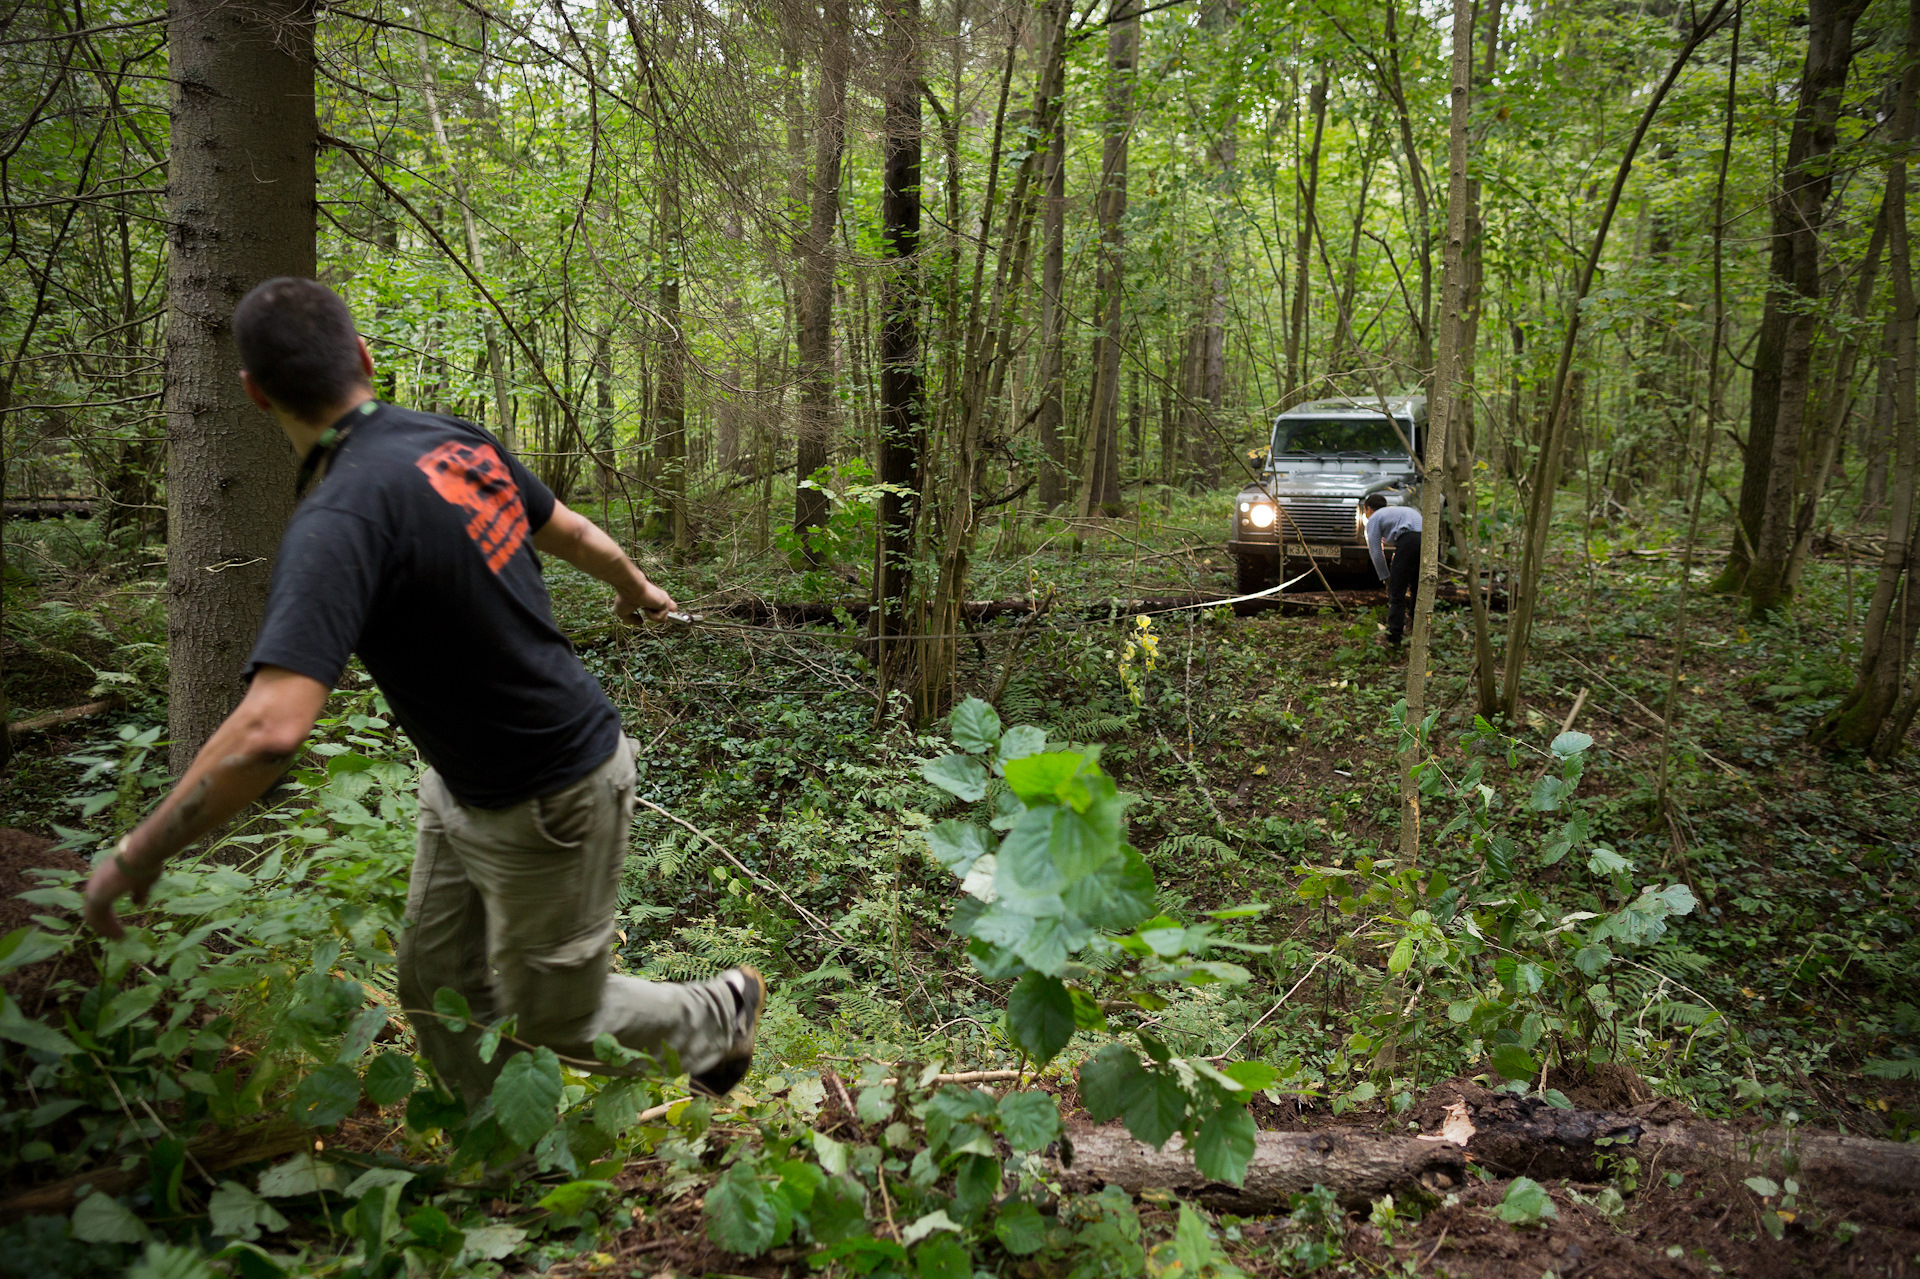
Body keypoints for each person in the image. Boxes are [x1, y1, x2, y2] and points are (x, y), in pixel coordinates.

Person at [82, 277, 763, 1107]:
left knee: (551, 1017)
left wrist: (136, 854)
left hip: (555, 792)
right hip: (464, 783)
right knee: (438, 988)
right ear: (363, 358)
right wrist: (635, 588)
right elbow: (577, 533)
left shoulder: (338, 521)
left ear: (254, 393)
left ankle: (715, 1015)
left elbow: (270, 730)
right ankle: (510, 1160)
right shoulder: (453, 441)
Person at [1362, 493, 1422, 648]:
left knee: (1397, 592)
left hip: (1408, 540)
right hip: (1427, 538)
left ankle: (1394, 638)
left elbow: (1376, 552)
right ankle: (1419, 629)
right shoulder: (1398, 511)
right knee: (1418, 587)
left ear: (1367, 509)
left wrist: (1386, 578)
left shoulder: (1374, 518)